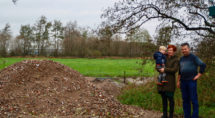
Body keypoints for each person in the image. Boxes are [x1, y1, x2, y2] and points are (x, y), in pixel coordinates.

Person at [177, 43, 206, 118]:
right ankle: (187, 116)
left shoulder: (193, 57)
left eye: (185, 49)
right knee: (185, 100)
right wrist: (178, 81)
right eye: (182, 49)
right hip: (183, 82)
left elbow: (203, 65)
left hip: (191, 82)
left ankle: (195, 116)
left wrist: (198, 75)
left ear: (189, 49)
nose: (184, 50)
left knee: (193, 100)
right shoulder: (181, 59)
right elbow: (180, 71)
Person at [158, 45, 179, 118]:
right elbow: (157, 66)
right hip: (162, 82)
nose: (169, 51)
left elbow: (174, 70)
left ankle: (170, 115)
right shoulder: (163, 57)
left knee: (170, 99)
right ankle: (164, 114)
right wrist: (159, 69)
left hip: (170, 82)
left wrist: (165, 69)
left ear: (174, 51)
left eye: (171, 50)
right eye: (168, 50)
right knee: (164, 99)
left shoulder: (176, 59)